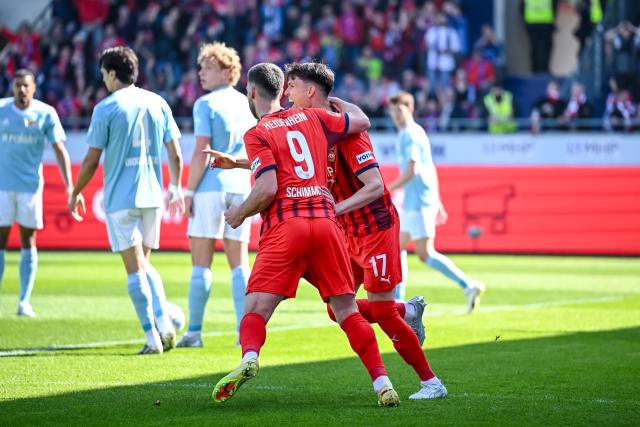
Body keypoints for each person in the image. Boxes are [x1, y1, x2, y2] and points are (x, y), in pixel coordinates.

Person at [209, 62, 400, 406]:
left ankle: (249, 358)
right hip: (326, 224)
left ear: (251, 92)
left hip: (286, 226)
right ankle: (382, 383)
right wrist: (331, 95)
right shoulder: (313, 117)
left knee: (254, 307)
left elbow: (268, 187)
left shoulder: (257, 133)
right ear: (283, 91)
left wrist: (239, 212)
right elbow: (362, 120)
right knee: (347, 311)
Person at [283, 62, 447, 400]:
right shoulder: (315, 127)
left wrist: (337, 208)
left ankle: (432, 383)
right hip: (348, 233)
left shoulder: (349, 133)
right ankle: (410, 311)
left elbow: (374, 186)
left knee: (382, 311)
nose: (287, 92)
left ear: (310, 91)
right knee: (336, 307)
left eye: (293, 85)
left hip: (375, 228)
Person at [68, 47, 184, 354]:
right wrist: (175, 185)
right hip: (153, 195)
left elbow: (91, 160)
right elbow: (174, 151)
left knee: (134, 270)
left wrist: (76, 190)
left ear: (110, 73)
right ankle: (164, 323)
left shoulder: (106, 108)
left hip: (122, 198)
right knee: (144, 264)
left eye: (103, 73)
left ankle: (152, 339)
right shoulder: (157, 102)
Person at [177, 42, 256, 348]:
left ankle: (194, 333)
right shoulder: (247, 104)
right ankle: (242, 333)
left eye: (207, 67)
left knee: (201, 264)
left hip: (210, 187)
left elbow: (201, 151)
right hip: (241, 188)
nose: (201, 73)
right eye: (201, 67)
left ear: (227, 71)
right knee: (239, 264)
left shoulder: (205, 104)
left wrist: (187, 191)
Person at [388, 91, 485, 314]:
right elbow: (429, 167)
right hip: (416, 201)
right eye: (392, 111)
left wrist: (389, 189)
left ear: (410, 109)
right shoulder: (416, 132)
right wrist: (438, 200)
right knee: (397, 247)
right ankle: (398, 301)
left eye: (399, 110)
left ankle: (469, 286)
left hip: (419, 202)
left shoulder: (409, 134)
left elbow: (413, 170)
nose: (395, 115)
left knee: (425, 253)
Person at [0, 69, 78, 317]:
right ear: (12, 88)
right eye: (17, 85)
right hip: (1, 187)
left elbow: (60, 150)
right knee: (0, 242)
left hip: (30, 188)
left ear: (33, 88)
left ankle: (24, 301)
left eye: (26, 86)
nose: (21, 90)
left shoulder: (46, 113)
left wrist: (70, 187)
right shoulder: (2, 110)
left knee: (27, 240)